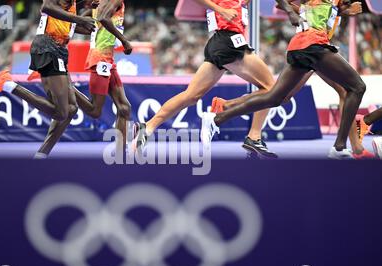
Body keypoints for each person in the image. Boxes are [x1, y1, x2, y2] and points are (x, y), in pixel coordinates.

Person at [202, 0, 367, 159]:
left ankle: (219, 116)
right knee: (356, 87)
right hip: (314, 45)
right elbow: (280, 3)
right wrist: (291, 12)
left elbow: (320, 12)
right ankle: (341, 147)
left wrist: (342, 10)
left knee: (275, 98)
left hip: (304, 47)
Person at [132, 0, 279, 158]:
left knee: (191, 96)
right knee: (271, 89)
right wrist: (221, 10)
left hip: (218, 43)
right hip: (229, 41)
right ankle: (251, 134)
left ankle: (147, 127)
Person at [0, 0, 96, 158]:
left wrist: (94, 26)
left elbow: (71, 24)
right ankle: (8, 85)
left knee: (72, 109)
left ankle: (41, 155)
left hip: (58, 49)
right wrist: (80, 19)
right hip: (48, 47)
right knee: (61, 113)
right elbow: (46, 7)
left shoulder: (71, 6)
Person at [82, 0, 133, 154]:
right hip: (100, 58)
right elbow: (103, 19)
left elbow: (83, 23)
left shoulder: (101, 3)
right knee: (95, 111)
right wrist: (124, 41)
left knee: (124, 108)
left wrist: (93, 21)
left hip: (108, 60)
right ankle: (67, 87)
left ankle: (120, 153)